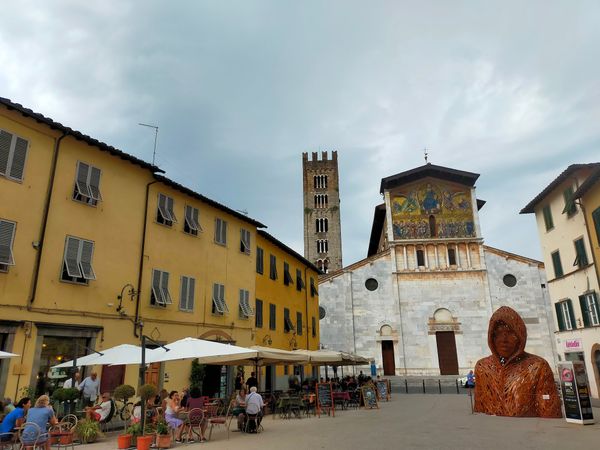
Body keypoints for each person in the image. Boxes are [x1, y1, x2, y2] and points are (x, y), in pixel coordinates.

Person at [474, 306, 561, 417]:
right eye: (498, 333)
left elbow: (550, 410)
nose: (504, 340)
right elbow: (479, 407)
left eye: (510, 333)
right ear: (491, 337)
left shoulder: (538, 366)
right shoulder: (482, 367)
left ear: (520, 335)